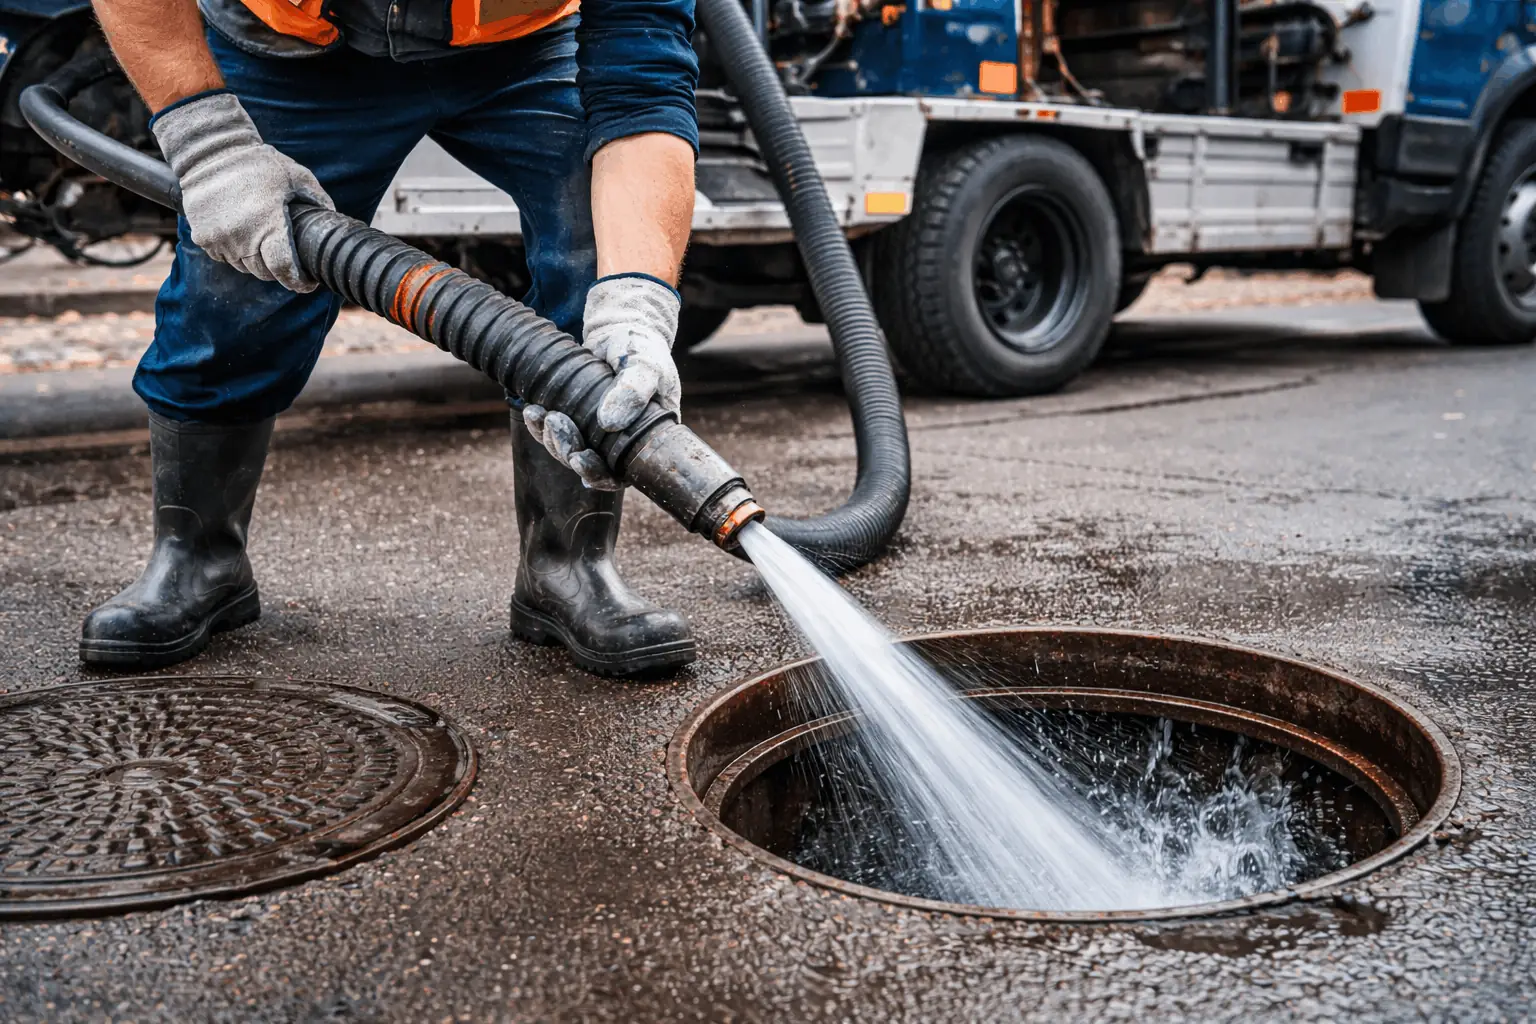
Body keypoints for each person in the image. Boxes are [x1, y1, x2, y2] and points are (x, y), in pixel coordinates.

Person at [78, 0, 700, 677]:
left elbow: (641, 78)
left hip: (524, 47)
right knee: (233, 300)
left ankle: (569, 568)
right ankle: (199, 560)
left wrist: (637, 299)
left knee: (596, 262)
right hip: (291, 51)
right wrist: (207, 142)